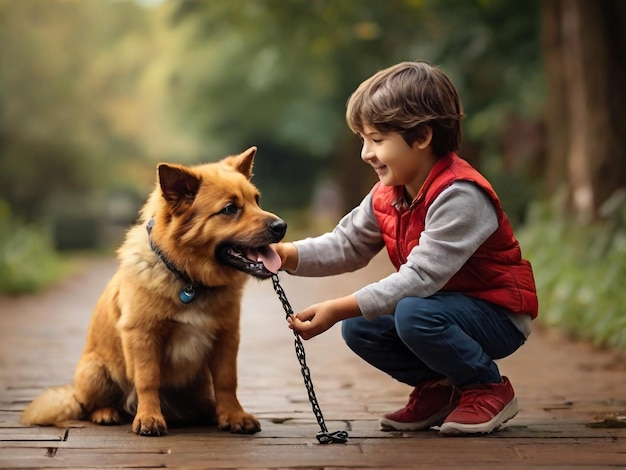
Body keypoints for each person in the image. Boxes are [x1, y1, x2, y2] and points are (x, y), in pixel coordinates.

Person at [273, 60, 537, 436]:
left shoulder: (460, 194)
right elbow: (347, 244)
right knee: (360, 326)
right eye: (363, 140)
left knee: (412, 313)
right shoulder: (388, 192)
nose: (366, 153)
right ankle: (440, 389)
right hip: (437, 307)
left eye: (377, 140)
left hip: (497, 313)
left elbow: (420, 278)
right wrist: (286, 255)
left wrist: (336, 306)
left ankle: (486, 387)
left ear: (422, 136)